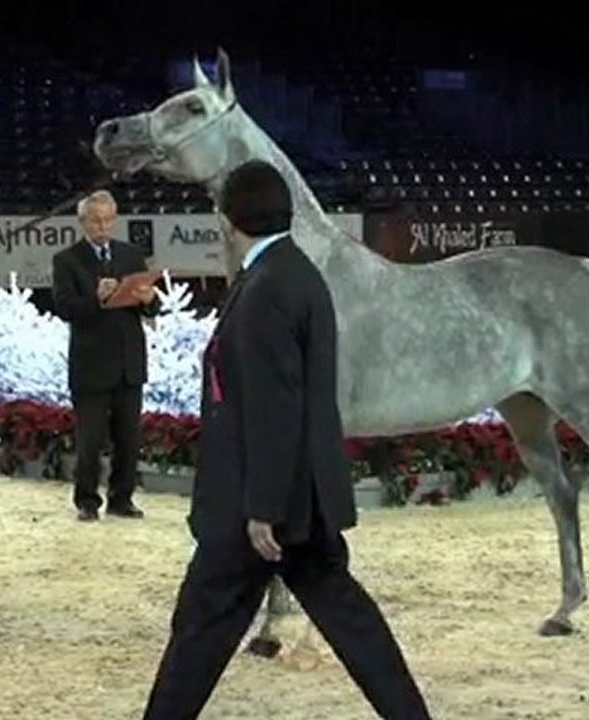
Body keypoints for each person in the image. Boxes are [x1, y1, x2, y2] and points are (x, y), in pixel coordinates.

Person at [141, 161, 432, 719]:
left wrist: (262, 509)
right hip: (303, 498)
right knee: (351, 621)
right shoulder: (295, 272)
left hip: (262, 508)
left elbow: (274, 408)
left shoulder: (267, 288)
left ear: (228, 220)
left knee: (200, 628)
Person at [52, 190, 160, 522]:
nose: (103, 226)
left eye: (109, 219)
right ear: (83, 222)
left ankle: (121, 498)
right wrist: (96, 299)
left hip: (129, 362)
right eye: (96, 220)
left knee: (129, 440)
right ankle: (87, 500)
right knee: (91, 440)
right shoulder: (67, 260)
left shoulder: (131, 255)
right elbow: (65, 308)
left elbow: (153, 308)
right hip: (92, 363)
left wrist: (148, 298)